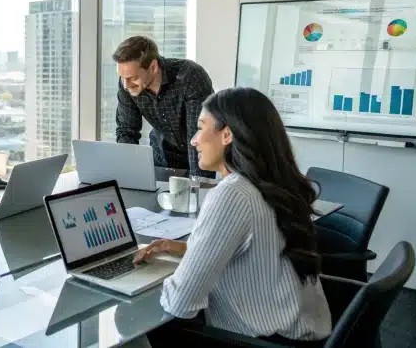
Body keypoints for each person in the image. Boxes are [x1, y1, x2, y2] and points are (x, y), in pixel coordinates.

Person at [133, 88, 331, 344]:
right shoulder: (272, 182)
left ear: (226, 134)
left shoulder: (232, 194)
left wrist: (139, 284)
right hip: (302, 331)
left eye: (201, 127)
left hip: (262, 340)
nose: (193, 140)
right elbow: (257, 252)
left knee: (148, 329)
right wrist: (186, 249)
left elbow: (181, 303)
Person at [113, 35, 214, 177]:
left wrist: (198, 188)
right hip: (162, 155)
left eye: (133, 78)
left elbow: (198, 136)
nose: (126, 85)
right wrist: (129, 176)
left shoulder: (190, 77)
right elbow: (126, 131)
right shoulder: (127, 84)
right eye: (122, 77)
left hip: (198, 156)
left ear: (153, 67)